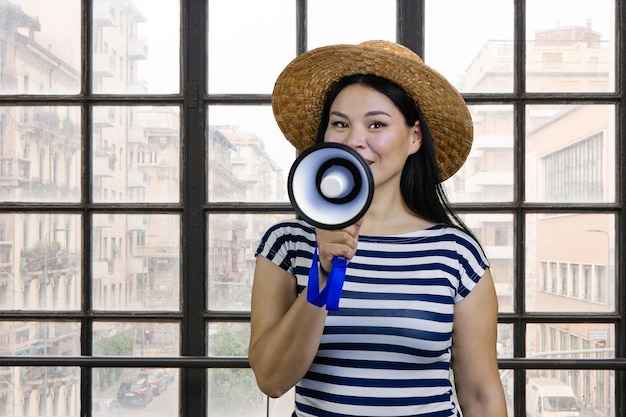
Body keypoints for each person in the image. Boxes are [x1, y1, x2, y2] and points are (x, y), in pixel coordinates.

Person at [249, 40, 508, 417]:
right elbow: (271, 380)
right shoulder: (286, 244)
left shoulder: (456, 253)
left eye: (376, 124)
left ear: (414, 137)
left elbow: (481, 394)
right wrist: (322, 273)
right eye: (340, 124)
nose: (355, 140)